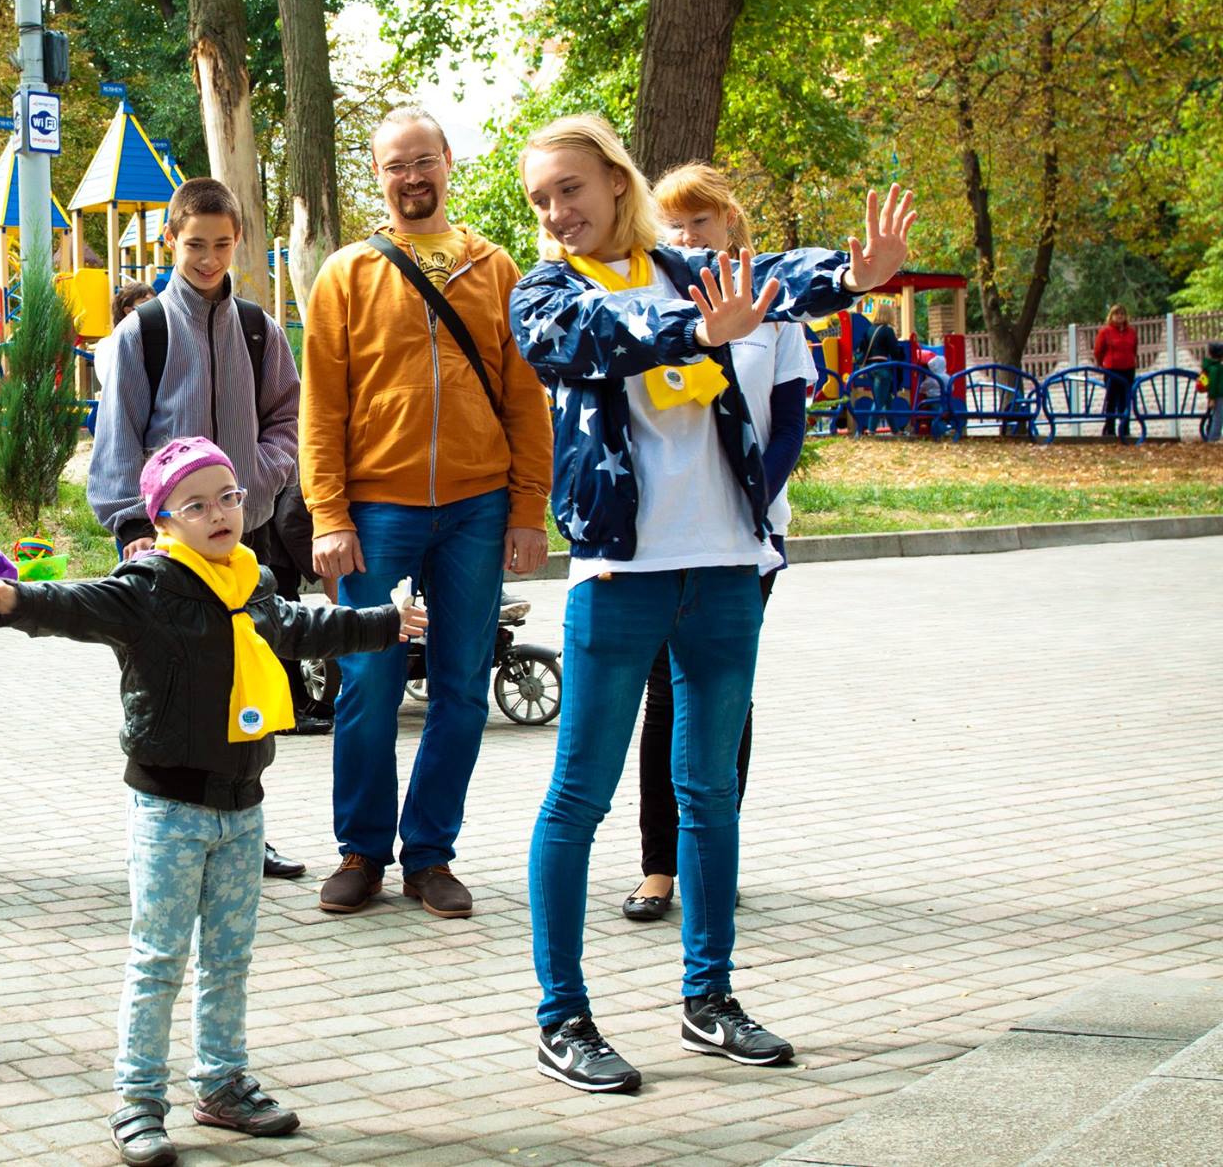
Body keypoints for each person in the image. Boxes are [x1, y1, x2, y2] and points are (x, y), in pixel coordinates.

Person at [509, 114, 916, 1093]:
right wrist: (696, 330)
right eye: (540, 199)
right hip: (622, 575)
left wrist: (856, 277)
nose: (557, 213)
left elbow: (774, 279)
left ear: (614, 181)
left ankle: (709, 1001)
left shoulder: (686, 270)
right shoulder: (547, 291)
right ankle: (560, 1018)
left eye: (570, 188)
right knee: (577, 798)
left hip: (728, 565)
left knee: (707, 793)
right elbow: (588, 341)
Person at [0, 437, 428, 1167]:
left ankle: (222, 1081)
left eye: (230, 497)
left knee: (231, 956)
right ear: (164, 520)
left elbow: (305, 627)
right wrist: (15, 599)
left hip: (243, 807)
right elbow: (76, 604)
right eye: (197, 503)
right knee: (158, 957)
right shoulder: (148, 588)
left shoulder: (254, 583)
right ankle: (138, 1101)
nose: (220, 513)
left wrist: (382, 621)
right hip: (170, 807)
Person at [300, 105, 554, 922]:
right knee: (368, 681)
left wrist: (528, 507)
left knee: (459, 687)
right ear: (379, 177)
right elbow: (321, 406)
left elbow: (525, 396)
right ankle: (361, 849)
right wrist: (328, 512)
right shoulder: (347, 274)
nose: (411, 177)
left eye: (423, 161)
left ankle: (431, 854)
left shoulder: (496, 267)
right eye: (393, 166)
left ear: (449, 160)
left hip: (479, 507)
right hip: (375, 508)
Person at [88, 178, 308, 882]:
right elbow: (118, 437)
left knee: (246, 683)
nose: (209, 258)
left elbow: (287, 418)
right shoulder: (142, 333)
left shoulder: (258, 329)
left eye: (222, 244)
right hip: (168, 549)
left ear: (237, 243)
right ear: (169, 243)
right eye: (195, 244)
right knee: (171, 694)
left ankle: (245, 827)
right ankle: (165, 834)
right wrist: (133, 529)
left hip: (241, 541)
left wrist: (263, 477)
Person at [619, 164, 815, 924]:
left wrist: (749, 501)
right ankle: (659, 868)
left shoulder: (777, 310)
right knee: (664, 696)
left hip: (747, 535)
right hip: (665, 535)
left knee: (723, 695)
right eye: (673, 223)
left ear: (731, 223)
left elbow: (790, 421)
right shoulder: (651, 307)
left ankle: (711, 860)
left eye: (700, 221)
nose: (687, 235)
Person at [1094, 303, 1138, 442]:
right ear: (1111, 316)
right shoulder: (1105, 332)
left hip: (1128, 369)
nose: (1119, 317)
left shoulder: (1131, 332)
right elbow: (1098, 351)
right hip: (1112, 369)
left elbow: (1134, 348)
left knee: (1125, 400)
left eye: (1122, 314)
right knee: (1111, 399)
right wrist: (1103, 364)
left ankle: (1125, 428)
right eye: (1117, 314)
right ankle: (1110, 429)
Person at [1201, 341, 1223, 442]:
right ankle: (1213, 438)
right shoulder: (1216, 368)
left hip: (1217, 396)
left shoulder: (1214, 367)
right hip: (1218, 396)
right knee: (1218, 417)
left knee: (1217, 416)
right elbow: (1213, 385)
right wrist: (1212, 398)